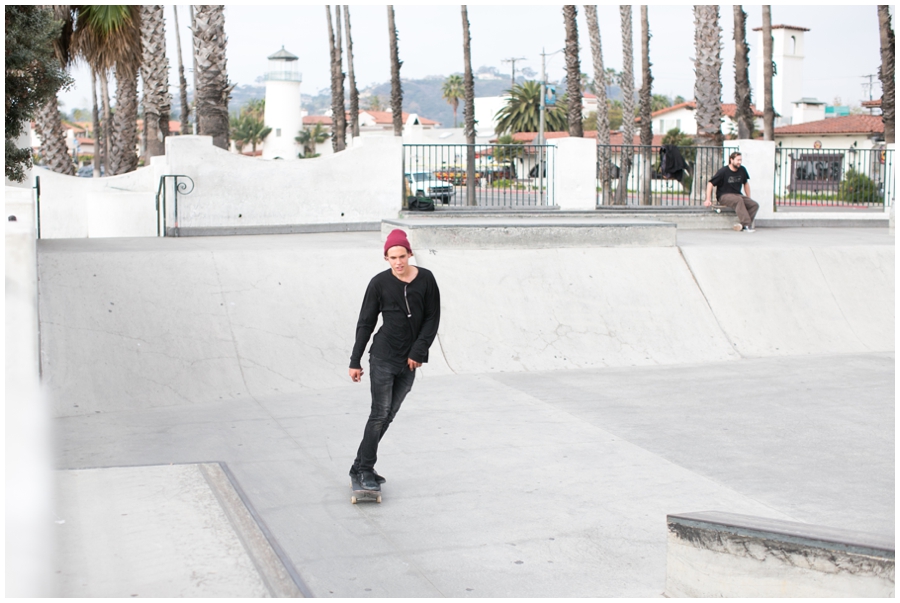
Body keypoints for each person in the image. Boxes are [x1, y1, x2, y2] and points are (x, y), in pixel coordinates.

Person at [348, 229, 441, 491]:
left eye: (402, 256)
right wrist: (355, 360)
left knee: (388, 416)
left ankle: (359, 466)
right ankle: (365, 470)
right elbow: (365, 323)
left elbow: (432, 318)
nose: (398, 262)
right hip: (383, 357)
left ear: (410, 254)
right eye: (392, 257)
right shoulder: (379, 283)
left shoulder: (426, 279)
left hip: (408, 362)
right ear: (386, 258)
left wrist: (418, 351)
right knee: (379, 414)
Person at [704, 151, 759, 232]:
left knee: (754, 205)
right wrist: (708, 199)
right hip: (724, 196)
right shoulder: (723, 171)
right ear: (731, 160)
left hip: (737, 195)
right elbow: (710, 183)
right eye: (738, 160)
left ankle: (742, 225)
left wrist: (748, 197)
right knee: (738, 200)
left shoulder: (742, 170)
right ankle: (746, 225)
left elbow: (746, 184)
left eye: (741, 160)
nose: (739, 162)